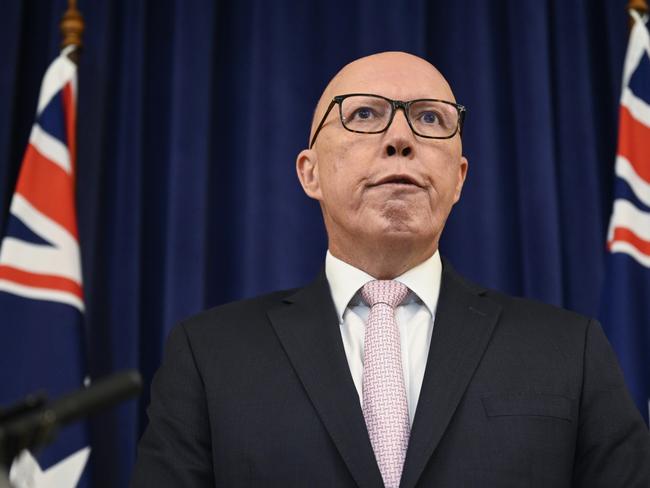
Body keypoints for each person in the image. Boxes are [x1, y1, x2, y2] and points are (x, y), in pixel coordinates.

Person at [131, 51, 650, 487]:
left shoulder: (568, 350)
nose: (400, 138)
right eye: (362, 115)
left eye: (430, 118)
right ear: (309, 173)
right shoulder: (208, 355)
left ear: (459, 178)